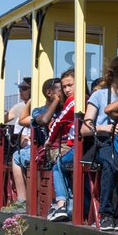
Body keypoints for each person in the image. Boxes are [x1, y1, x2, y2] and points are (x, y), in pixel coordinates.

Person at [81, 56, 118, 231]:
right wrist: (105, 127)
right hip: (104, 143)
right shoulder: (100, 95)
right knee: (111, 162)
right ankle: (107, 214)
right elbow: (84, 128)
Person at [6, 77, 58, 211]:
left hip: (47, 150)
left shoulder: (40, 110)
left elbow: (22, 120)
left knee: (16, 156)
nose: (20, 91)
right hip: (57, 148)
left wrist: (31, 101)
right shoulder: (67, 108)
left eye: (24, 88)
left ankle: (22, 199)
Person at [44, 69, 77, 222]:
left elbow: (57, 122)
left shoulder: (74, 101)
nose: (67, 90)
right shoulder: (85, 99)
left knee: (58, 165)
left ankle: (61, 204)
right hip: (77, 145)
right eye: (64, 87)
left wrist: (49, 141)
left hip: (76, 147)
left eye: (70, 85)